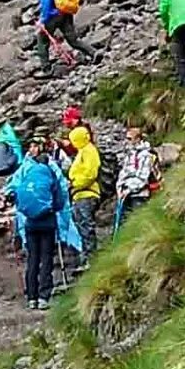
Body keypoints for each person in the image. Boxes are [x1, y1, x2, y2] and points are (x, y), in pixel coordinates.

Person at [7, 136, 70, 309]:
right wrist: (55, 210)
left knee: (32, 259)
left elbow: (17, 194)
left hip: (30, 222)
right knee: (46, 257)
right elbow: (60, 199)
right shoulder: (50, 174)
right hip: (47, 221)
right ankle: (44, 296)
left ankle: (31, 297)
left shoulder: (28, 172)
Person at [60, 108, 103, 269]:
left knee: (86, 225)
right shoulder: (81, 152)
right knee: (80, 225)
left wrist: (75, 183)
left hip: (87, 193)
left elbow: (91, 172)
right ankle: (85, 258)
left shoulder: (89, 151)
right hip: (78, 194)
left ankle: (91, 258)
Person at [28, 0, 92, 69]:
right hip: (66, 12)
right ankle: (93, 53)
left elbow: (46, 2)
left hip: (54, 15)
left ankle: (46, 68)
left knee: (42, 39)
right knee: (73, 40)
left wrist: (43, 19)